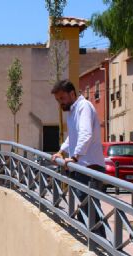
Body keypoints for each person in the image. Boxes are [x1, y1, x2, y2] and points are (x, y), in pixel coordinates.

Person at [50, 79, 107, 236]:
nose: (60, 103)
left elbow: (86, 134)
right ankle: (95, 243)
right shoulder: (73, 111)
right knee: (86, 208)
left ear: (72, 94)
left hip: (90, 166)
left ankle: (100, 244)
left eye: (62, 98)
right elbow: (73, 137)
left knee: (89, 208)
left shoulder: (84, 107)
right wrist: (61, 151)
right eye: (57, 100)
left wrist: (74, 157)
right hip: (82, 166)